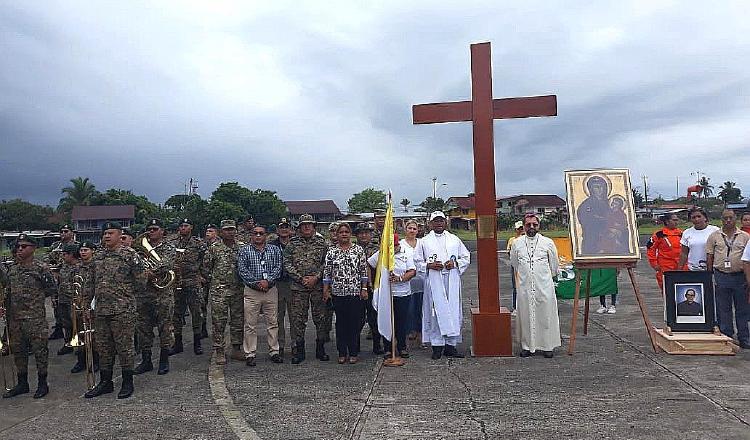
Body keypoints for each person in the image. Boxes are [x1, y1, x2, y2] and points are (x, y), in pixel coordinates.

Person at [85, 222, 143, 399]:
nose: (107, 236)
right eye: (105, 233)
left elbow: (140, 280)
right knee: (104, 348)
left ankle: (127, 382)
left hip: (122, 310)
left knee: (125, 347)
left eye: (111, 233)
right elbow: (90, 283)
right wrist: (87, 305)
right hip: (101, 310)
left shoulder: (129, 255)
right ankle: (106, 382)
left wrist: (126, 296)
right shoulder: (98, 257)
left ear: (120, 235)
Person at [1, 234, 57, 399]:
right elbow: (7, 290)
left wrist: (34, 300)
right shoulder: (13, 269)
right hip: (15, 318)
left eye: (24, 246)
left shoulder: (41, 268)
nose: (20, 249)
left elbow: (51, 288)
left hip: (34, 318)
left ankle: (42, 383)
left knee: (40, 351)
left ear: (33, 248)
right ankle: (22, 383)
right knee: (18, 352)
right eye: (18, 246)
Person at [416, 211, 470, 359]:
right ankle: (437, 346)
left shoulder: (454, 239)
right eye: (435, 221)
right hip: (434, 280)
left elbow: (465, 257)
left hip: (451, 279)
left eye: (441, 221)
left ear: (445, 222)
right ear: (430, 223)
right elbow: (417, 261)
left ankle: (450, 345)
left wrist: (455, 263)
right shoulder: (424, 241)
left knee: (452, 310)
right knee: (435, 312)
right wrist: (429, 265)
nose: (439, 223)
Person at [510, 214, 561, 358]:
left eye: (534, 224)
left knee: (545, 316)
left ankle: (547, 346)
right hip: (525, 287)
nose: (531, 227)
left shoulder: (548, 243)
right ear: (524, 226)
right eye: (528, 225)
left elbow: (554, 266)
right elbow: (515, 263)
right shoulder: (517, 243)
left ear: (539, 226)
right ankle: (527, 346)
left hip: (544, 286)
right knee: (526, 316)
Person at [283, 214, 331, 364]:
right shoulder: (292, 243)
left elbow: (327, 262)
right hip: (298, 287)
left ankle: (320, 349)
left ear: (314, 227)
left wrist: (316, 277)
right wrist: (300, 278)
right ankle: (300, 350)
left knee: (320, 318)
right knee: (298, 319)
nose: (307, 227)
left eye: (309, 224)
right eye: (304, 225)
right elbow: (286, 263)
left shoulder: (322, 243)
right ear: (299, 228)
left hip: (317, 287)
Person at [134, 219, 176, 376]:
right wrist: (144, 273)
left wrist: (151, 273)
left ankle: (164, 360)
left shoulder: (169, 247)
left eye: (155, 228)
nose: (151, 231)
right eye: (149, 229)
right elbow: (136, 264)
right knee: (143, 328)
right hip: (143, 294)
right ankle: (146, 361)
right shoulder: (139, 249)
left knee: (164, 327)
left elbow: (167, 263)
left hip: (162, 294)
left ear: (162, 231)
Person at [237, 225, 283, 366]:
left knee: (273, 323)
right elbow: (242, 270)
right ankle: (250, 353)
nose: (258, 236)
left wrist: (267, 282)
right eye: (255, 233)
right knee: (250, 324)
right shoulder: (244, 251)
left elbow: (278, 267)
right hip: (252, 291)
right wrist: (257, 283)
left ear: (266, 235)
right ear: (251, 235)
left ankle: (274, 351)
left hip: (270, 290)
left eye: (261, 233)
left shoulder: (274, 250)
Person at [323, 223, 369, 364]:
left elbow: (363, 271)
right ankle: (342, 352)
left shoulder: (358, 250)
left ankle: (353, 352)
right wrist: (326, 290)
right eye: (341, 232)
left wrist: (364, 288)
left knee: (354, 323)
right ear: (336, 235)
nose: (344, 234)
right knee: (341, 324)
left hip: (354, 292)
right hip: (338, 293)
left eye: (346, 232)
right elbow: (327, 272)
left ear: (350, 234)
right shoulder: (331, 251)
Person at [201, 220, 245, 365]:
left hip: (238, 289)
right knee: (219, 321)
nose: (230, 232)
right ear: (221, 232)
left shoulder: (242, 248)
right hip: (219, 291)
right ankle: (219, 350)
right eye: (227, 230)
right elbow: (206, 269)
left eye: (232, 229)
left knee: (238, 320)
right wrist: (215, 282)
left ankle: (236, 348)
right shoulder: (214, 248)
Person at [705, 210, 750, 348]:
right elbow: (710, 256)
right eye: (725, 218)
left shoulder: (745, 236)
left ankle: (744, 337)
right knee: (723, 308)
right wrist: (709, 273)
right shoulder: (714, 236)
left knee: (742, 308)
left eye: (731, 218)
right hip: (721, 275)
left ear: (736, 219)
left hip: (739, 276)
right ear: (721, 220)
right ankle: (727, 336)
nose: (728, 220)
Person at [368, 233, 417, 358]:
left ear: (397, 244)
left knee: (401, 322)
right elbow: (369, 264)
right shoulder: (381, 254)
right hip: (386, 294)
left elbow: (412, 271)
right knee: (387, 321)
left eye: (393, 246)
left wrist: (400, 278)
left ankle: (401, 347)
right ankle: (388, 348)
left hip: (402, 293)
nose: (391, 248)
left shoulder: (405, 254)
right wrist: (371, 283)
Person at [170, 218, 207, 356]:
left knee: (196, 312)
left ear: (191, 227)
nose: (183, 228)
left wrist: (202, 275)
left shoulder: (198, 243)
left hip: (193, 281)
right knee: (176, 313)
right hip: (177, 282)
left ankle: (197, 342)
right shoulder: (173, 243)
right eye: (181, 226)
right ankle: (178, 343)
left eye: (186, 225)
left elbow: (205, 260)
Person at [44, 224, 79, 340]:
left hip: (71, 278)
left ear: (72, 233)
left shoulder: (77, 246)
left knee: (72, 314)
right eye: (61, 232)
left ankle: (74, 337)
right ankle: (60, 329)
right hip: (58, 278)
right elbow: (47, 258)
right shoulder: (56, 245)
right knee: (58, 308)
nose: (63, 234)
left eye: (66, 231)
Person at [355, 222, 384, 354]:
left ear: (371, 234)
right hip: (356, 288)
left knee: (374, 318)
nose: (364, 235)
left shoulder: (378, 249)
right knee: (357, 319)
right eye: (361, 233)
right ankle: (355, 346)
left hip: (374, 288)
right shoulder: (353, 249)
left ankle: (377, 345)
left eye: (366, 232)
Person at [70, 241, 98, 374]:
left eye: (86, 250)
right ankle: (81, 361)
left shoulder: (97, 266)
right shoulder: (77, 267)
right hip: (79, 305)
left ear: (92, 251)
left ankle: (96, 361)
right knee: (80, 333)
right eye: (81, 250)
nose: (83, 252)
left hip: (92, 304)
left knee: (94, 335)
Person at [269, 218, 294, 359]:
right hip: (277, 284)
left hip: (293, 283)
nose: (284, 229)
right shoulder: (271, 246)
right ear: (277, 230)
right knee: (277, 317)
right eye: (281, 227)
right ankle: (279, 346)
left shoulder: (296, 244)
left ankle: (295, 345)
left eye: (286, 227)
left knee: (294, 317)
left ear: (290, 229)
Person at [647, 213, 686, 291]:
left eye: (677, 220)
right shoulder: (659, 234)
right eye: (674, 220)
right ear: (667, 221)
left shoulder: (682, 234)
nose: (676, 222)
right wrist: (654, 264)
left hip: (682, 265)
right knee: (667, 289)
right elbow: (650, 249)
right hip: (666, 266)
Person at [401, 220, 425, 343]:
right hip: (406, 282)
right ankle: (410, 331)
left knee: (421, 308)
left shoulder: (422, 243)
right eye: (409, 228)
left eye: (414, 229)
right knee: (409, 309)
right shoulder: (401, 244)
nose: (412, 231)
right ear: (405, 229)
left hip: (422, 281)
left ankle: (421, 332)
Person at [55, 244, 80, 355]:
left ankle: (80, 348)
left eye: (65, 254)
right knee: (66, 323)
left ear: (72, 255)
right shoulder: (63, 266)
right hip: (63, 299)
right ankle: (68, 343)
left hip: (73, 300)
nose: (63, 256)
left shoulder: (79, 267)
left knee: (76, 323)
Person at [577, 175, 610, 255]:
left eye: (601, 186)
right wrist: (601, 220)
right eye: (596, 187)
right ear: (590, 189)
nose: (599, 189)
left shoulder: (610, 203)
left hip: (607, 235)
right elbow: (584, 220)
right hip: (592, 236)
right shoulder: (585, 205)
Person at [506, 221, 525, 315]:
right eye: (519, 229)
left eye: (522, 228)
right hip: (515, 266)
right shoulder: (512, 240)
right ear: (516, 230)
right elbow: (509, 252)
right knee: (516, 286)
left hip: (526, 265)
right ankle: (515, 307)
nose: (521, 230)